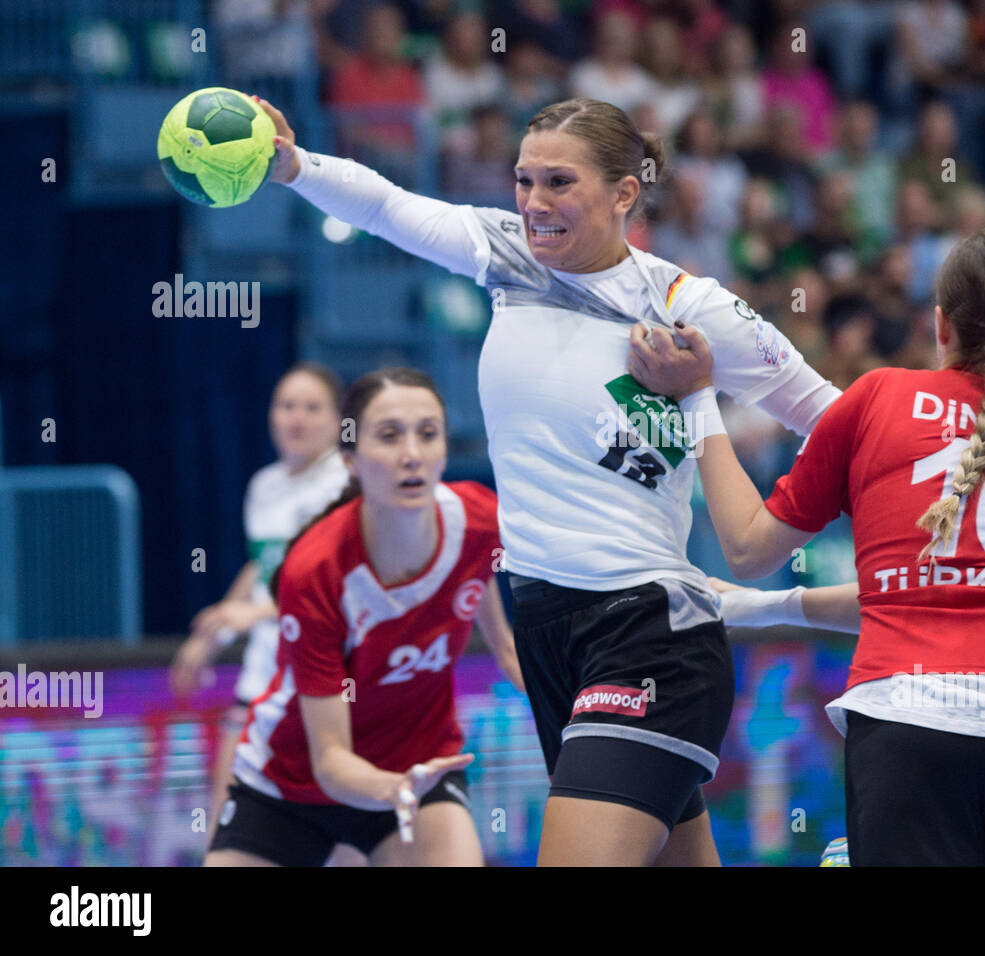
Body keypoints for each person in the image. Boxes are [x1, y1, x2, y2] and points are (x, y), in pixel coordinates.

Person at [254, 94, 841, 865]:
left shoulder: (683, 306)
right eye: (524, 181)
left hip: (647, 634)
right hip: (548, 636)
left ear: (624, 193)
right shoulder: (506, 254)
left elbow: (833, 418)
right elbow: (388, 208)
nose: (534, 204)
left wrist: (929, 507)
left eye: (559, 183)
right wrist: (296, 166)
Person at [630, 227, 985, 866]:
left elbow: (748, 547)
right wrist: (764, 608)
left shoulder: (878, 397)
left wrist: (697, 395)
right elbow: (949, 589)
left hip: (914, 728)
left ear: (939, 322)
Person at [204, 368, 523, 867]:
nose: (412, 453)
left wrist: (527, 667)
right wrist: (390, 788)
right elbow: (330, 759)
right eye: (390, 436)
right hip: (291, 784)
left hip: (420, 769)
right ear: (349, 458)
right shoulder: (315, 570)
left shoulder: (480, 519)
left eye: (428, 433)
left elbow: (490, 607)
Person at [170, 362, 349, 831]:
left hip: (328, 688)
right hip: (262, 684)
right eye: (287, 405)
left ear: (337, 421)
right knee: (224, 825)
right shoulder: (264, 486)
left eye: (312, 408)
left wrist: (254, 613)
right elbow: (262, 569)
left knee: (347, 839)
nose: (297, 418)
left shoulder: (346, 486)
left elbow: (342, 588)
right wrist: (214, 634)